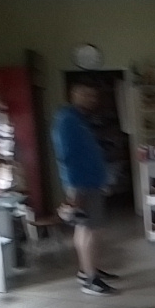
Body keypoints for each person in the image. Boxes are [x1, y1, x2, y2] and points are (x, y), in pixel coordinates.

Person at [51, 79, 120, 295]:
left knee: (85, 228)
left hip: (91, 181)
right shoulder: (67, 120)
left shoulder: (79, 118)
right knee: (91, 230)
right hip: (82, 184)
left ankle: (87, 270)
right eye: (85, 95)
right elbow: (66, 156)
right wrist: (74, 189)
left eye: (93, 96)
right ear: (74, 94)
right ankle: (91, 280)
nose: (91, 99)